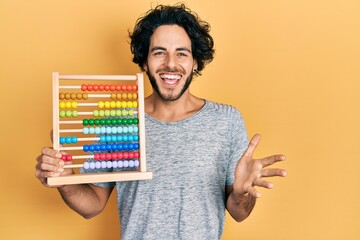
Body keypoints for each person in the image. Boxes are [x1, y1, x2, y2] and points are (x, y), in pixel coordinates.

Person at [36, 4, 287, 240]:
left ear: (195, 61)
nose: (170, 64)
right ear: (145, 61)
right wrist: (65, 180)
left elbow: (239, 212)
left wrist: (242, 194)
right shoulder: (120, 122)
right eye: (159, 52)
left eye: (182, 53)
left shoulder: (226, 121)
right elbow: (92, 205)